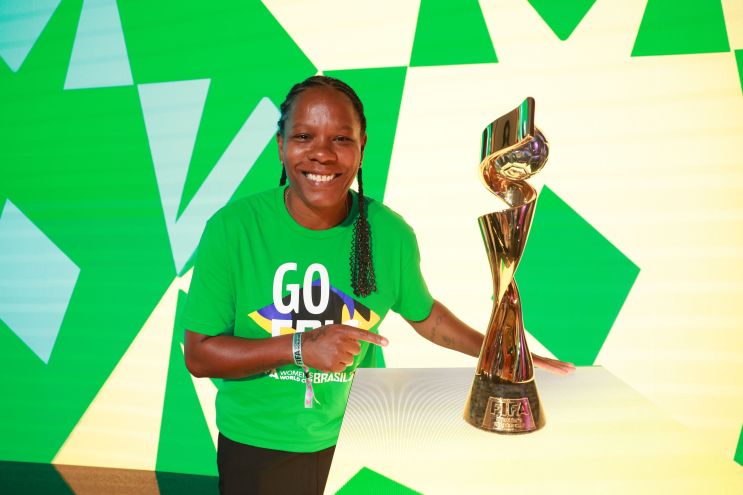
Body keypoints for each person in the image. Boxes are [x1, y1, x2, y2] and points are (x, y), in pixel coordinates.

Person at [182, 75, 575, 495]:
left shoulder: (389, 233)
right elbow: (200, 355)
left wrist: (504, 355)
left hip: (357, 435)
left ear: (362, 147)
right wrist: (301, 348)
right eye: (303, 136)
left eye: (341, 139)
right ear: (281, 146)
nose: (322, 153)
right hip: (259, 445)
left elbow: (427, 317)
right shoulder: (233, 230)